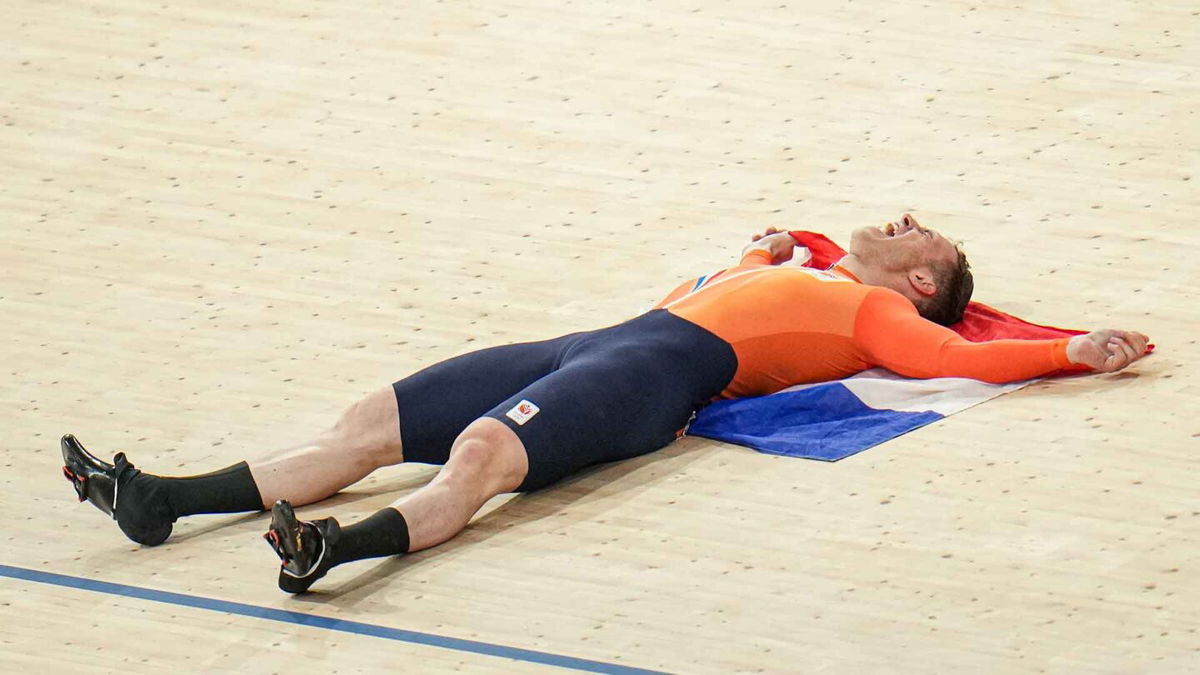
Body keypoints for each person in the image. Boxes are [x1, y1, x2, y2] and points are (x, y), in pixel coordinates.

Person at [61, 214, 1151, 593]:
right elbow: (728, 286)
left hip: (649, 377)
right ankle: (163, 499)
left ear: (923, 283)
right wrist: (756, 252)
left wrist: (1068, 351)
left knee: (483, 454)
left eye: (924, 234)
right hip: (593, 340)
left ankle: (335, 550)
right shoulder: (812, 274)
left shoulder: (880, 318)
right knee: (368, 423)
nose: (902, 220)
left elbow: (969, 361)